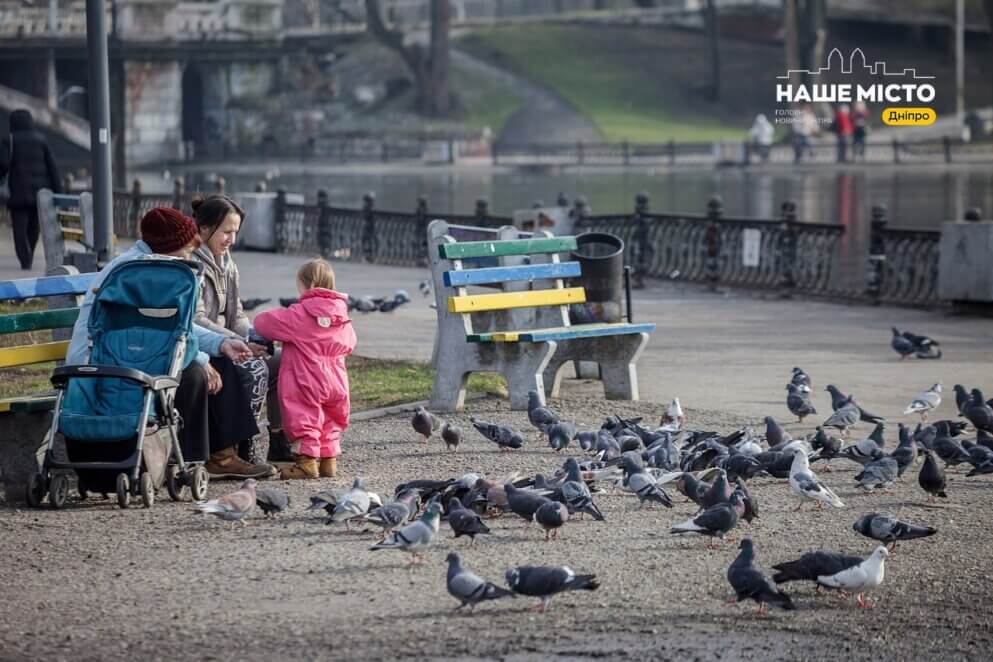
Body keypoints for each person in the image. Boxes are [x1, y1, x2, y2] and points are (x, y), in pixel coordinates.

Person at [66, 207, 274, 479]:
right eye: (187, 251)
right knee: (196, 374)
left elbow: (167, 328)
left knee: (219, 359)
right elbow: (154, 332)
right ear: (169, 247)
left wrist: (221, 344)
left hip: (129, 352)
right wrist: (201, 357)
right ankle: (193, 460)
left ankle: (223, 455)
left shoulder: (145, 266)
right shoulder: (142, 273)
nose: (189, 257)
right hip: (107, 360)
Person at [188, 194, 280, 466]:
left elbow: (236, 313)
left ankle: (281, 444)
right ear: (204, 228)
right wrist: (238, 342)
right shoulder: (192, 263)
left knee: (281, 362)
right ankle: (240, 448)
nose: (231, 239)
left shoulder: (228, 263)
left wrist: (253, 337)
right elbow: (198, 320)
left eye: (235, 232)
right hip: (207, 344)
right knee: (254, 368)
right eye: (226, 231)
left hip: (229, 340)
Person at [253, 259, 356, 479]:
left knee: (304, 418)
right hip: (337, 379)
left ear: (307, 285)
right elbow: (351, 342)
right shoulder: (343, 316)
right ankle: (328, 462)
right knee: (331, 418)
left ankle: (306, 464)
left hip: (305, 378)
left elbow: (263, 323)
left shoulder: (299, 314)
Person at [0, 109, 61, 270]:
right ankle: (30, 255)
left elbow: (3, 165)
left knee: (19, 230)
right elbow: (52, 168)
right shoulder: (41, 140)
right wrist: (58, 192)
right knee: (34, 227)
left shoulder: (8, 140)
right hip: (39, 193)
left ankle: (24, 260)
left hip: (17, 193)